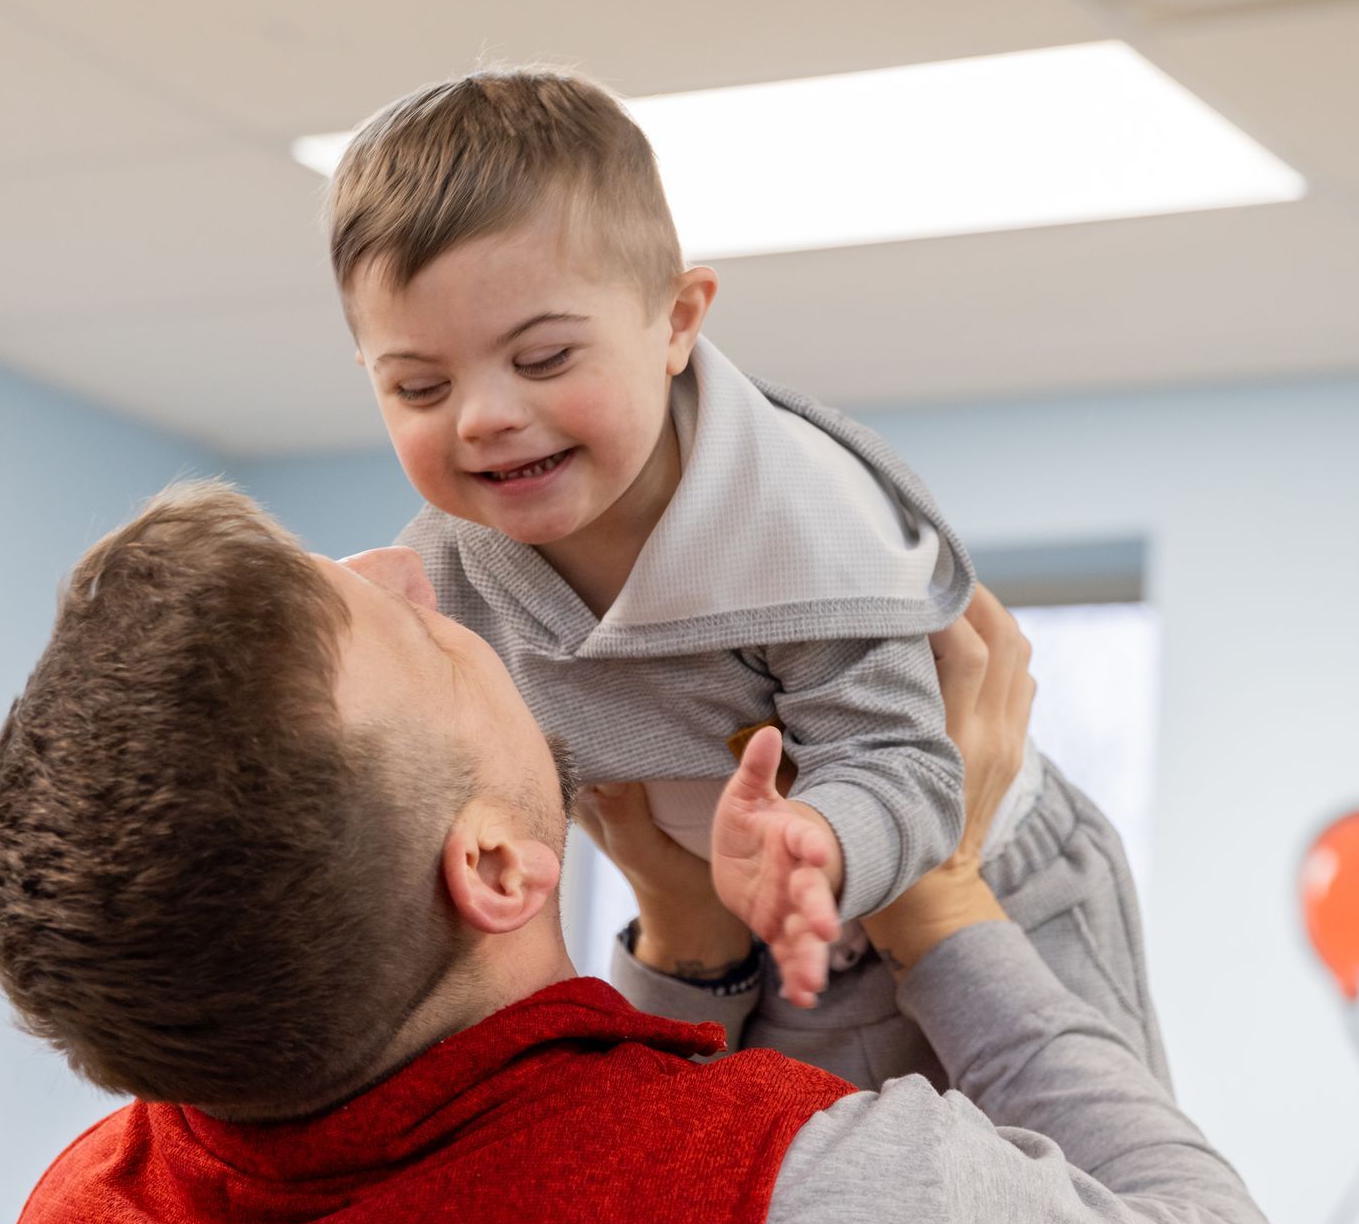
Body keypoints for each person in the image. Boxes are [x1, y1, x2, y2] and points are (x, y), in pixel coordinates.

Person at [0, 481, 1281, 1224]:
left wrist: (684, 951)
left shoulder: (87, 1213)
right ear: (497, 865)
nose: (411, 567)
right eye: (418, 642)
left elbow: (512, 1161)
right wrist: (939, 888)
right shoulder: (788, 1193)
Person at [327, 64, 1056, 1012]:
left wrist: (824, 845)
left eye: (543, 358)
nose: (484, 417)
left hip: (991, 875)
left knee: (1061, 1153)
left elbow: (898, 757)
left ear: (676, 323)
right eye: (419, 388)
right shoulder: (446, 584)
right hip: (747, 928)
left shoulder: (793, 524)